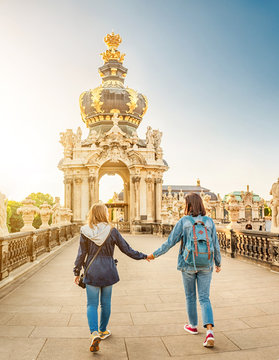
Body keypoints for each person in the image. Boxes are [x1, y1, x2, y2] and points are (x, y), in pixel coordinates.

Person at [147, 193, 221, 348]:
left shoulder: (184, 221)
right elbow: (215, 244)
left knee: (190, 297)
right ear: (201, 204)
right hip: (206, 263)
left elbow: (170, 242)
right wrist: (218, 263)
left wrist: (154, 255)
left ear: (188, 205)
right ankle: (209, 332)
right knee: (204, 298)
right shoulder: (209, 221)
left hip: (188, 263)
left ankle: (193, 326)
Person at [73, 203, 147, 352]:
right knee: (105, 303)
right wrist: (144, 256)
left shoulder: (85, 231)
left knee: (91, 304)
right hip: (108, 270)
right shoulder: (112, 231)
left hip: (92, 270)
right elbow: (127, 249)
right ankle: (103, 330)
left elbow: (81, 253)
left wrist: (76, 271)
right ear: (105, 214)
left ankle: (94, 333)